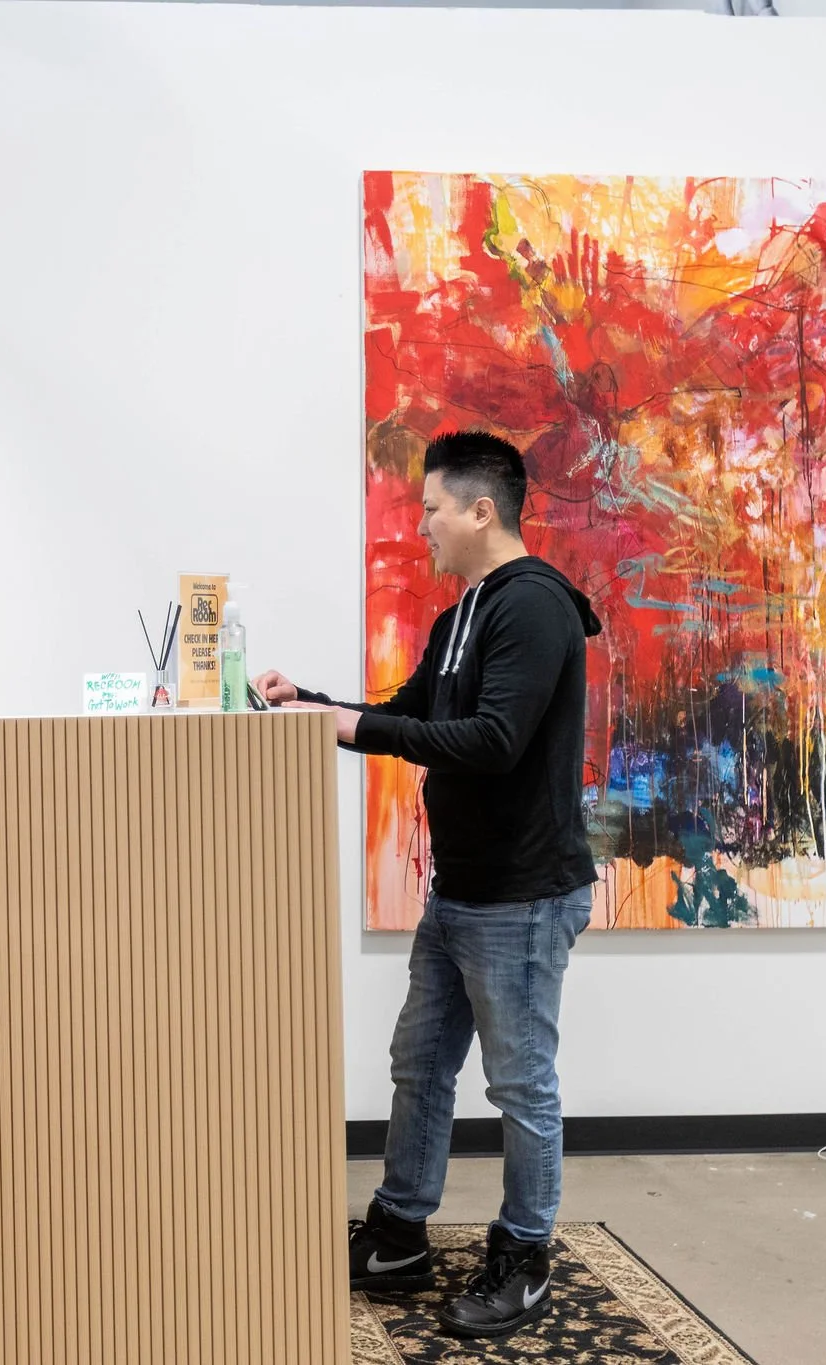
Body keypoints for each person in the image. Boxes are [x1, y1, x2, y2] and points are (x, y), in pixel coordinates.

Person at [255, 430, 601, 1340]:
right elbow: (406, 714)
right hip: (460, 893)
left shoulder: (535, 608)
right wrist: (309, 705)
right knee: (421, 1063)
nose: (422, 527)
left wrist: (347, 727)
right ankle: (402, 1228)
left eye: (433, 509)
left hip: (524, 895)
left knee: (520, 1083)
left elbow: (493, 741)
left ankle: (524, 1256)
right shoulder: (462, 616)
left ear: (481, 510)